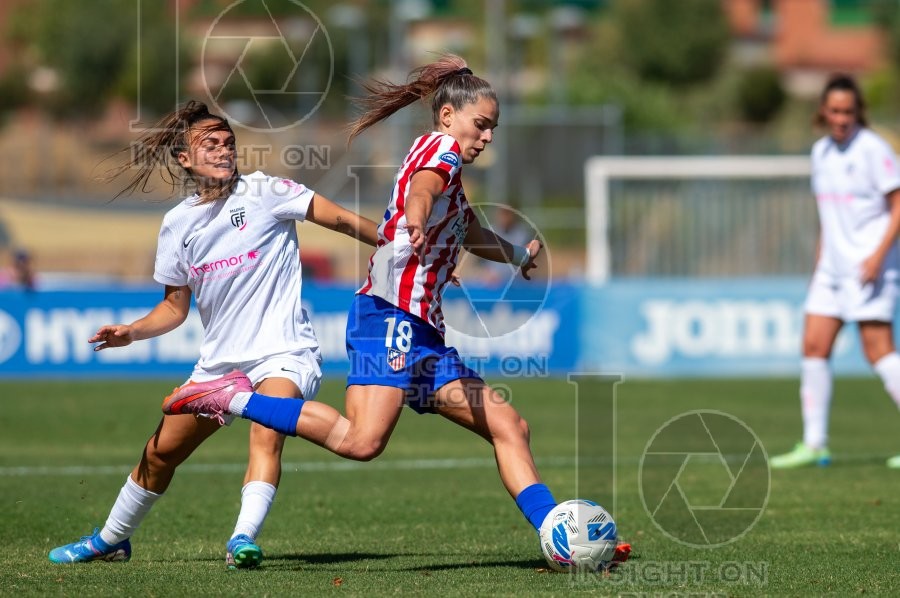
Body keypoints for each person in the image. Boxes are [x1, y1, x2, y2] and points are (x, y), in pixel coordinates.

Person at [161, 55, 630, 564]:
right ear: (448, 117)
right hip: (389, 316)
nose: (487, 136)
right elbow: (424, 187)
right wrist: (416, 216)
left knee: (509, 425)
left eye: (493, 127)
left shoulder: (449, 173)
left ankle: (559, 538)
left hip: (421, 330)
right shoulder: (441, 150)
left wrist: (516, 255)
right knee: (362, 441)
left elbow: (469, 231)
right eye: (482, 124)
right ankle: (229, 397)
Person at [48, 100, 380, 566]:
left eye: (228, 144)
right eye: (210, 145)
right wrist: (132, 332)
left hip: (283, 351)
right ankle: (110, 539)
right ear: (184, 159)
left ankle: (241, 539)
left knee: (268, 429)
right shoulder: (178, 225)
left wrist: (398, 249)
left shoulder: (267, 191)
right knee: (160, 452)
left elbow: (344, 220)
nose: (224, 152)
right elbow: (174, 306)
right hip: (220, 365)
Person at [771, 74, 900, 470]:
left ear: (857, 111)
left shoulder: (873, 150)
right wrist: (819, 265)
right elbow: (829, 218)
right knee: (813, 345)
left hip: (869, 266)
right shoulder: (821, 153)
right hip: (832, 268)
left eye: (848, 111)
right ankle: (815, 444)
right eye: (835, 110)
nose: (841, 118)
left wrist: (878, 256)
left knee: (877, 349)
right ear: (823, 111)